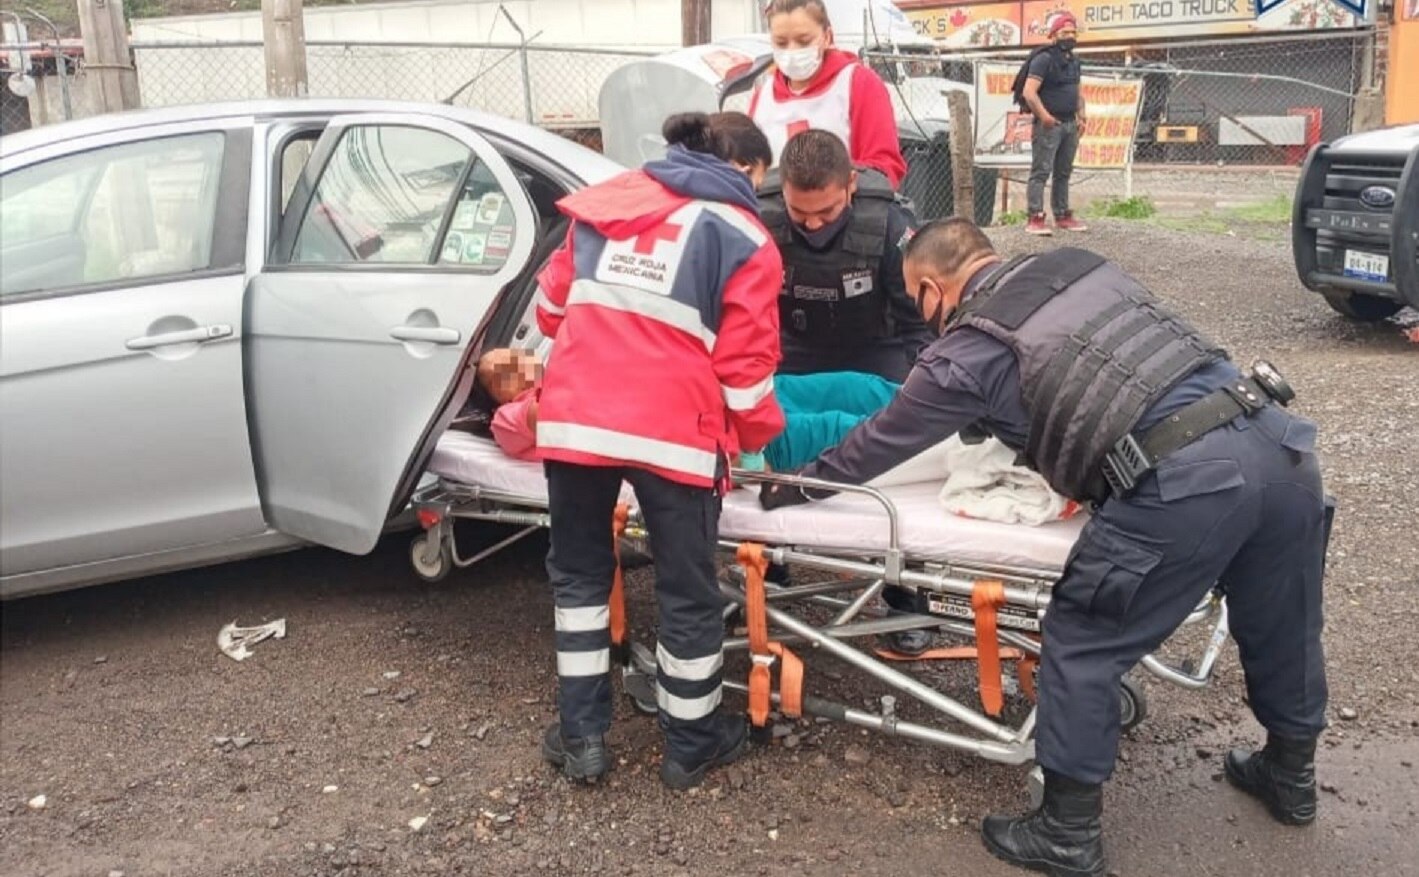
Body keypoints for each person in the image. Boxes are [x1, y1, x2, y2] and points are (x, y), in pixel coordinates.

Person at [759, 218, 1328, 876]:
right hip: (1277, 443)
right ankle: (1291, 776)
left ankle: (1066, 832)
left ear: (926, 288)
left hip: (1182, 479)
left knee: (1083, 634)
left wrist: (790, 491)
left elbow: (879, 441)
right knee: (1282, 621)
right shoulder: (1078, 266)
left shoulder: (966, 350)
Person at [533, 111, 785, 791]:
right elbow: (745, 369)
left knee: (581, 579)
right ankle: (691, 744)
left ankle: (582, 738)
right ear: (746, 170)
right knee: (685, 588)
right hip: (673, 430)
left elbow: (549, 310)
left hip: (576, 421)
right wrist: (758, 441)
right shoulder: (745, 235)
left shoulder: (603, 205)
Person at [475, 345, 897, 473]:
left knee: (857, 386)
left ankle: (945, 402)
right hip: (740, 430)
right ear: (498, 398)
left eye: (516, 356)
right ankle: (939, 437)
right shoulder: (509, 418)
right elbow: (543, 416)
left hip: (748, 392)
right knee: (843, 427)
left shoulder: (573, 364)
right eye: (503, 375)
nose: (518, 367)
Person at [760, 129, 934, 383]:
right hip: (794, 346)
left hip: (877, 349)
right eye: (798, 211)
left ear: (851, 183)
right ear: (783, 191)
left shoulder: (889, 224)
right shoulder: (758, 219)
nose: (813, 224)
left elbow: (917, 323)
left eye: (827, 211)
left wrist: (926, 385)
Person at [749, 0, 907, 189]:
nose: (791, 51)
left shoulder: (858, 84)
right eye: (781, 43)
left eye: (804, 41)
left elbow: (884, 166)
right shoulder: (763, 97)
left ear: (827, 36)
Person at [1022, 12, 1088, 236]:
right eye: (1064, 32)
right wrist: (1045, 117)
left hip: (1070, 124)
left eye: (1072, 32)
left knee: (1063, 172)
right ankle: (1035, 217)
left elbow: (1078, 91)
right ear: (1054, 35)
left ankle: (1062, 215)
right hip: (1050, 125)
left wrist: (1082, 114)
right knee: (1041, 171)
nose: (1069, 36)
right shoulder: (1044, 59)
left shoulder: (1074, 61)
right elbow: (1029, 93)